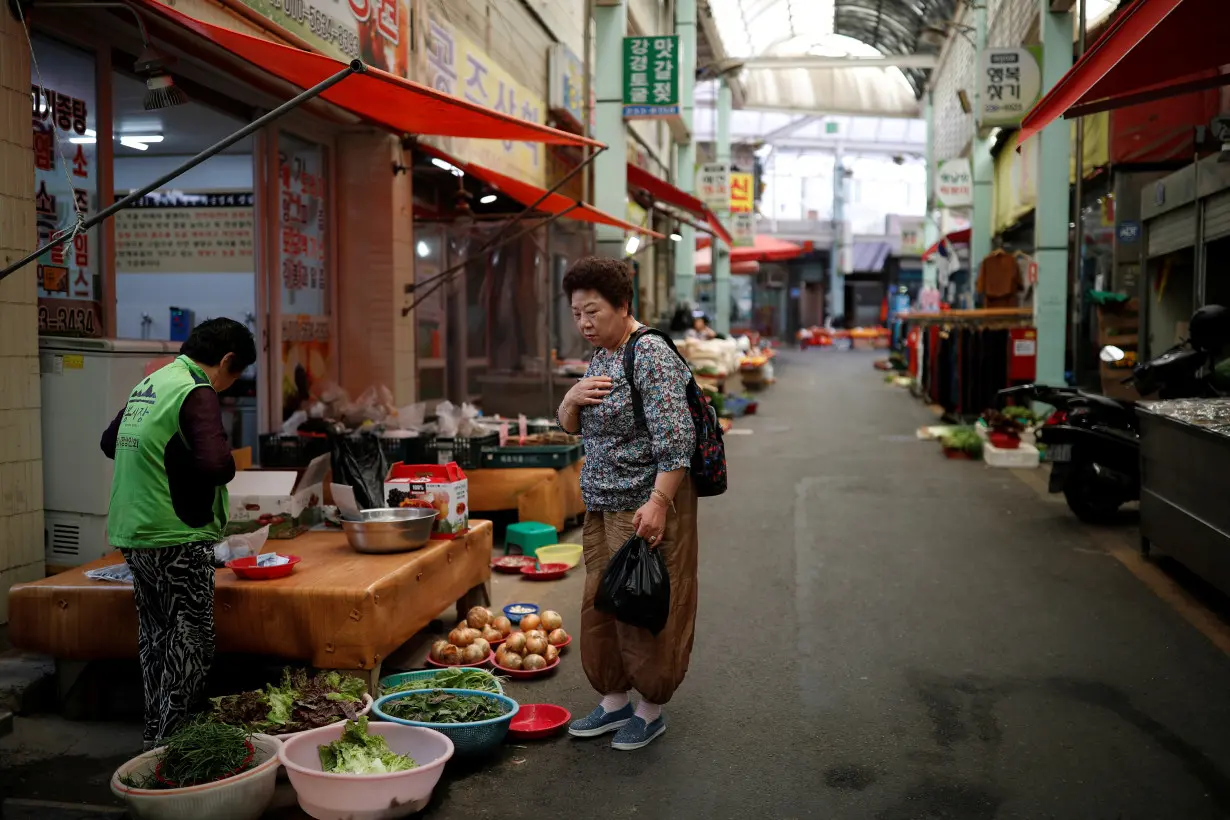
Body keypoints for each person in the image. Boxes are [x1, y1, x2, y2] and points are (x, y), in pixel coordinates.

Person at [556, 256, 699, 751]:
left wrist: (659, 502)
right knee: (602, 605)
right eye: (576, 314)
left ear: (623, 305)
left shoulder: (649, 353)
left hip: (644, 509)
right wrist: (571, 398)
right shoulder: (602, 355)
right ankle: (614, 701)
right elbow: (574, 424)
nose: (584, 323)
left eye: (593, 311)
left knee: (647, 607)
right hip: (600, 505)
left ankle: (650, 708)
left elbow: (678, 439)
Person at [100, 318, 257, 749]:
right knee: (192, 639)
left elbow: (110, 442)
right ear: (226, 361)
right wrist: (185, 458)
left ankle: (155, 733)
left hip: (134, 531)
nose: (228, 384)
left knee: (156, 635)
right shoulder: (195, 388)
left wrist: (171, 452)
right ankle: (172, 742)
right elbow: (217, 466)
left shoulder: (153, 383)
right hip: (175, 533)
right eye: (235, 373)